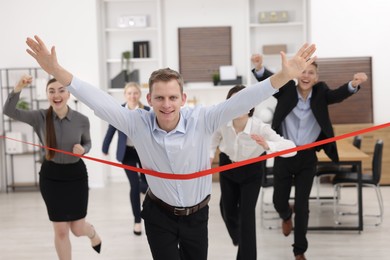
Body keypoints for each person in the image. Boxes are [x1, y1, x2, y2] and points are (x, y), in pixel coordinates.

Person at [25, 35, 316, 260]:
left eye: (172, 98)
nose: (167, 105)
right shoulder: (136, 122)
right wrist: (58, 72)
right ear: (149, 99)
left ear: (183, 98)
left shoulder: (203, 119)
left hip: (197, 216)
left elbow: (242, 100)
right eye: (160, 98)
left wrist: (283, 77)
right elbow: (98, 101)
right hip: (158, 214)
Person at [251, 54, 368, 260]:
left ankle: (299, 250)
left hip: (307, 157)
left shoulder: (321, 92)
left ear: (316, 77)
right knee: (279, 200)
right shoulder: (287, 89)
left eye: (311, 73)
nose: (306, 76)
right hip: (285, 153)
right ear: (297, 73)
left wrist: (353, 84)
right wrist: (260, 68)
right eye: (303, 71)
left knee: (303, 206)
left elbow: (338, 94)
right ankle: (286, 216)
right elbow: (269, 79)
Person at [3, 75, 102, 259]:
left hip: (76, 176)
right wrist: (18, 87)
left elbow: (87, 143)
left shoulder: (82, 120)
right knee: (61, 230)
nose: (56, 95)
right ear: (47, 94)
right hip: (51, 177)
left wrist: (84, 150)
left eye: (61, 90)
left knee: (78, 229)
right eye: (51, 91)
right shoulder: (39, 117)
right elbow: (9, 110)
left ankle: (93, 234)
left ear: (68, 93)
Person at [210, 84, 297, 260]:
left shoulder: (260, 127)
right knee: (226, 209)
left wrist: (268, 146)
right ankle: (239, 238)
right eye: (235, 101)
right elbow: (212, 142)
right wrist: (209, 156)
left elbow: (291, 148)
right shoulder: (222, 123)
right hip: (227, 167)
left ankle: (246, 253)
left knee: (246, 217)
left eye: (244, 101)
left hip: (251, 171)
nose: (240, 106)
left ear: (251, 105)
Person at [102, 82, 150, 236]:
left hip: (144, 153)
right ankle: (137, 220)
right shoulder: (119, 111)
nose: (132, 96)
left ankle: (145, 191)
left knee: (146, 185)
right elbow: (111, 130)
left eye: (135, 93)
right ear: (125, 95)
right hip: (127, 153)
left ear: (139, 95)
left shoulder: (147, 111)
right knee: (134, 186)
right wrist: (105, 148)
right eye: (129, 93)